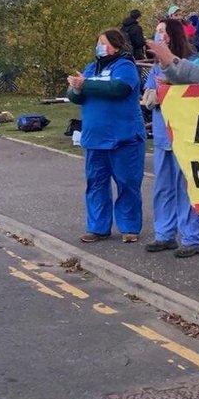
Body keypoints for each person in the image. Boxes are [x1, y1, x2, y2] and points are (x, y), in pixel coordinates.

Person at [67, 29, 145, 244]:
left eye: (105, 43)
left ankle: (129, 227)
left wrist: (86, 84)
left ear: (117, 46)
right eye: (98, 43)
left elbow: (118, 88)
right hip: (95, 139)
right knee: (96, 184)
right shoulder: (91, 68)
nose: (100, 47)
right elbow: (75, 96)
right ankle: (97, 227)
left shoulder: (125, 66)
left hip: (123, 138)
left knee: (127, 183)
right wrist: (75, 88)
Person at [140, 19, 199, 257]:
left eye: (161, 32)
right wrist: (156, 93)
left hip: (185, 136)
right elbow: (148, 94)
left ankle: (191, 238)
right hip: (161, 135)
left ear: (172, 35)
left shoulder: (192, 61)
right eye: (156, 31)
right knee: (163, 188)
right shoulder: (157, 65)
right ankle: (165, 235)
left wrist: (165, 90)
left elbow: (195, 91)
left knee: (186, 188)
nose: (157, 36)